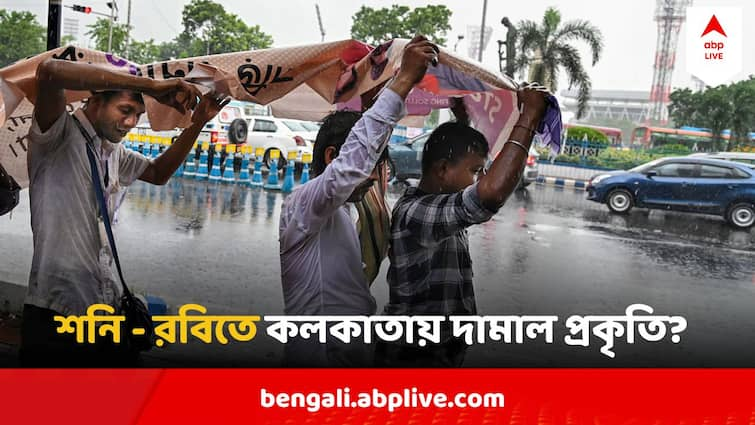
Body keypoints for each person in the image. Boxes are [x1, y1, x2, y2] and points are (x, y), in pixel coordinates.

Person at [20, 58, 229, 366]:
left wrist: (198, 122)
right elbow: (50, 72)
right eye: (125, 110)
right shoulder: (58, 135)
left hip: (102, 309)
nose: (131, 123)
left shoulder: (113, 151)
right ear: (96, 100)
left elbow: (158, 173)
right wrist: (150, 86)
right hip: (56, 310)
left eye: (138, 114)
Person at [278, 36, 438, 366]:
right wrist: (403, 80)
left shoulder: (350, 208)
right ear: (332, 156)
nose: (374, 179)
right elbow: (352, 164)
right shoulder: (303, 205)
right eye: (371, 168)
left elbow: (361, 155)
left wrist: (375, 89)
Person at [377, 83, 550, 367]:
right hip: (413, 357)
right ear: (443, 170)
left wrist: (462, 119)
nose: (479, 178)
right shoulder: (416, 214)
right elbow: (490, 195)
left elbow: (467, 175)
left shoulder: (439, 201)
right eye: (474, 171)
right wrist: (529, 115)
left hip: (438, 352)